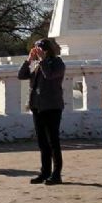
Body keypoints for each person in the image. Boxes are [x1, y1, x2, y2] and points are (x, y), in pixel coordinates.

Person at [18, 38, 66, 185]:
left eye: (41, 49)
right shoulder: (38, 65)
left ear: (48, 50)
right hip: (37, 106)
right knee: (42, 142)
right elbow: (21, 75)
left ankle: (56, 174)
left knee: (53, 142)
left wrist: (43, 60)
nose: (38, 51)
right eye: (36, 49)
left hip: (52, 106)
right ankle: (44, 172)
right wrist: (29, 60)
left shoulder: (57, 63)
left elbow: (50, 76)